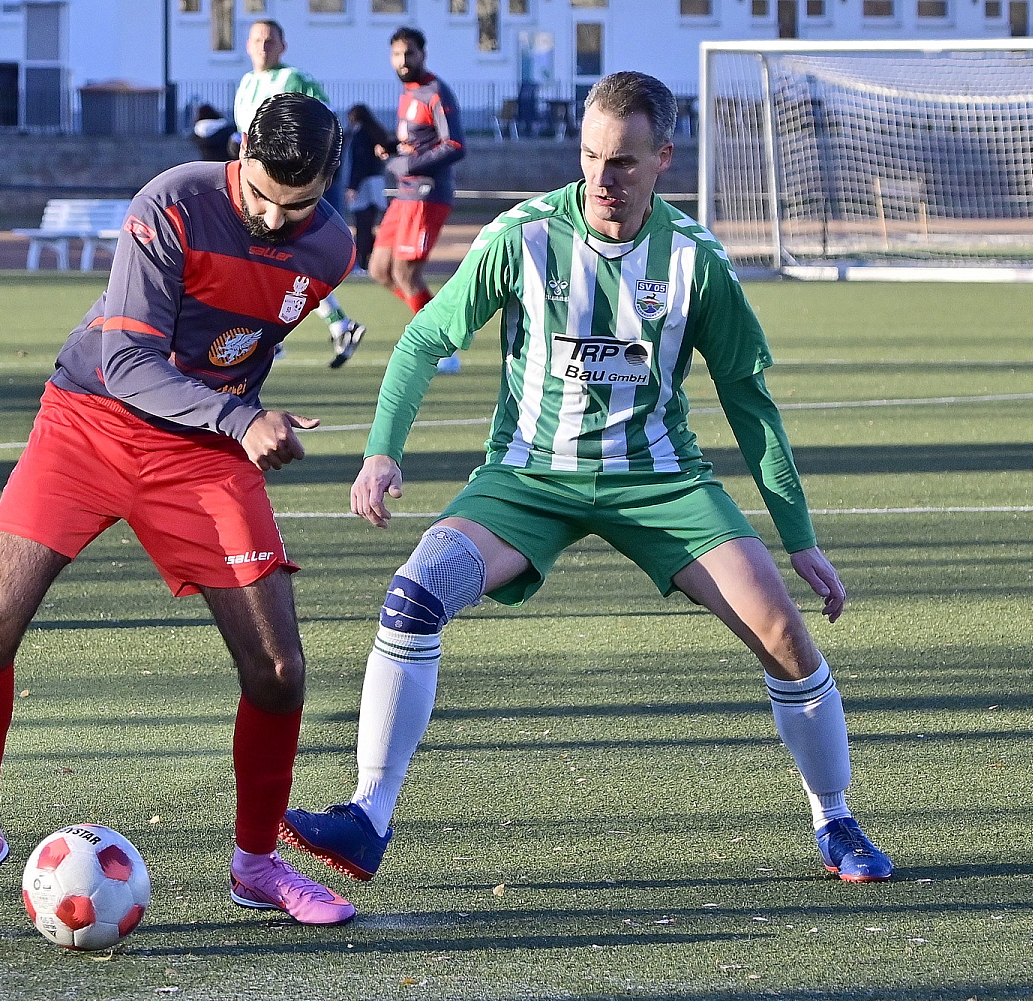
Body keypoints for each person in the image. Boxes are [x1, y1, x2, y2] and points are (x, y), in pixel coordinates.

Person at [281, 72, 893, 888]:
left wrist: (800, 538)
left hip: (661, 482)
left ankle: (835, 817)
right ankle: (367, 815)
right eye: (591, 157)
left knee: (785, 635)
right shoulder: (524, 236)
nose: (604, 179)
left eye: (625, 162)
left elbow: (750, 402)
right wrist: (382, 450)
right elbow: (425, 339)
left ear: (664, 158)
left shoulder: (696, 261)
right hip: (529, 477)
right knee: (414, 593)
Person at [0, 93, 359, 928]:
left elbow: (241, 345)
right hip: (90, 421)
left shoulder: (333, 250)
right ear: (240, 152)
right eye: (261, 194)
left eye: (296, 205)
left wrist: (233, 417)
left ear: (328, 185)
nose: (274, 218)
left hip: (202, 448)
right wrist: (238, 416)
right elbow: (126, 358)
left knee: (278, 669)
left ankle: (257, 864)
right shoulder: (173, 203)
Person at [234, 19, 366, 369]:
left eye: (270, 40)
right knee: (274, 257)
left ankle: (273, 336)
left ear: (283, 46)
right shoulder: (245, 83)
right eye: (257, 40)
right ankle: (334, 325)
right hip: (254, 186)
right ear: (247, 45)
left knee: (276, 255)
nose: (263, 46)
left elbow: (326, 127)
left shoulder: (294, 79)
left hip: (285, 187)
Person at [370, 27, 466, 373]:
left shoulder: (435, 91)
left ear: (423, 54)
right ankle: (430, 326)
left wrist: (410, 164)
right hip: (405, 195)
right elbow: (416, 141)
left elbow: (455, 144)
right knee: (379, 269)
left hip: (427, 195)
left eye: (409, 53)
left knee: (406, 272)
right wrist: (392, 149)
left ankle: (441, 348)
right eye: (397, 54)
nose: (403, 60)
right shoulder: (408, 92)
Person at [345, 103, 391, 276]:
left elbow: (359, 163)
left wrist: (353, 186)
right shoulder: (373, 132)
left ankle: (362, 262)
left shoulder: (360, 134)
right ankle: (371, 259)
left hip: (364, 185)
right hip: (376, 182)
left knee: (362, 225)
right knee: (368, 224)